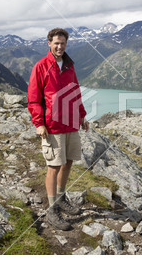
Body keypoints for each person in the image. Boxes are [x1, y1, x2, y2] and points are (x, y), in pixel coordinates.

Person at [28, 28, 89, 231]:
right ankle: (52, 210)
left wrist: (82, 115)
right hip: (52, 126)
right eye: (56, 43)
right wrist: (39, 123)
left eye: (62, 43)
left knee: (68, 161)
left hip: (70, 122)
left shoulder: (69, 66)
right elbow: (34, 99)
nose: (59, 46)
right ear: (49, 43)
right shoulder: (41, 66)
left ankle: (62, 198)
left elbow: (75, 92)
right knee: (54, 166)